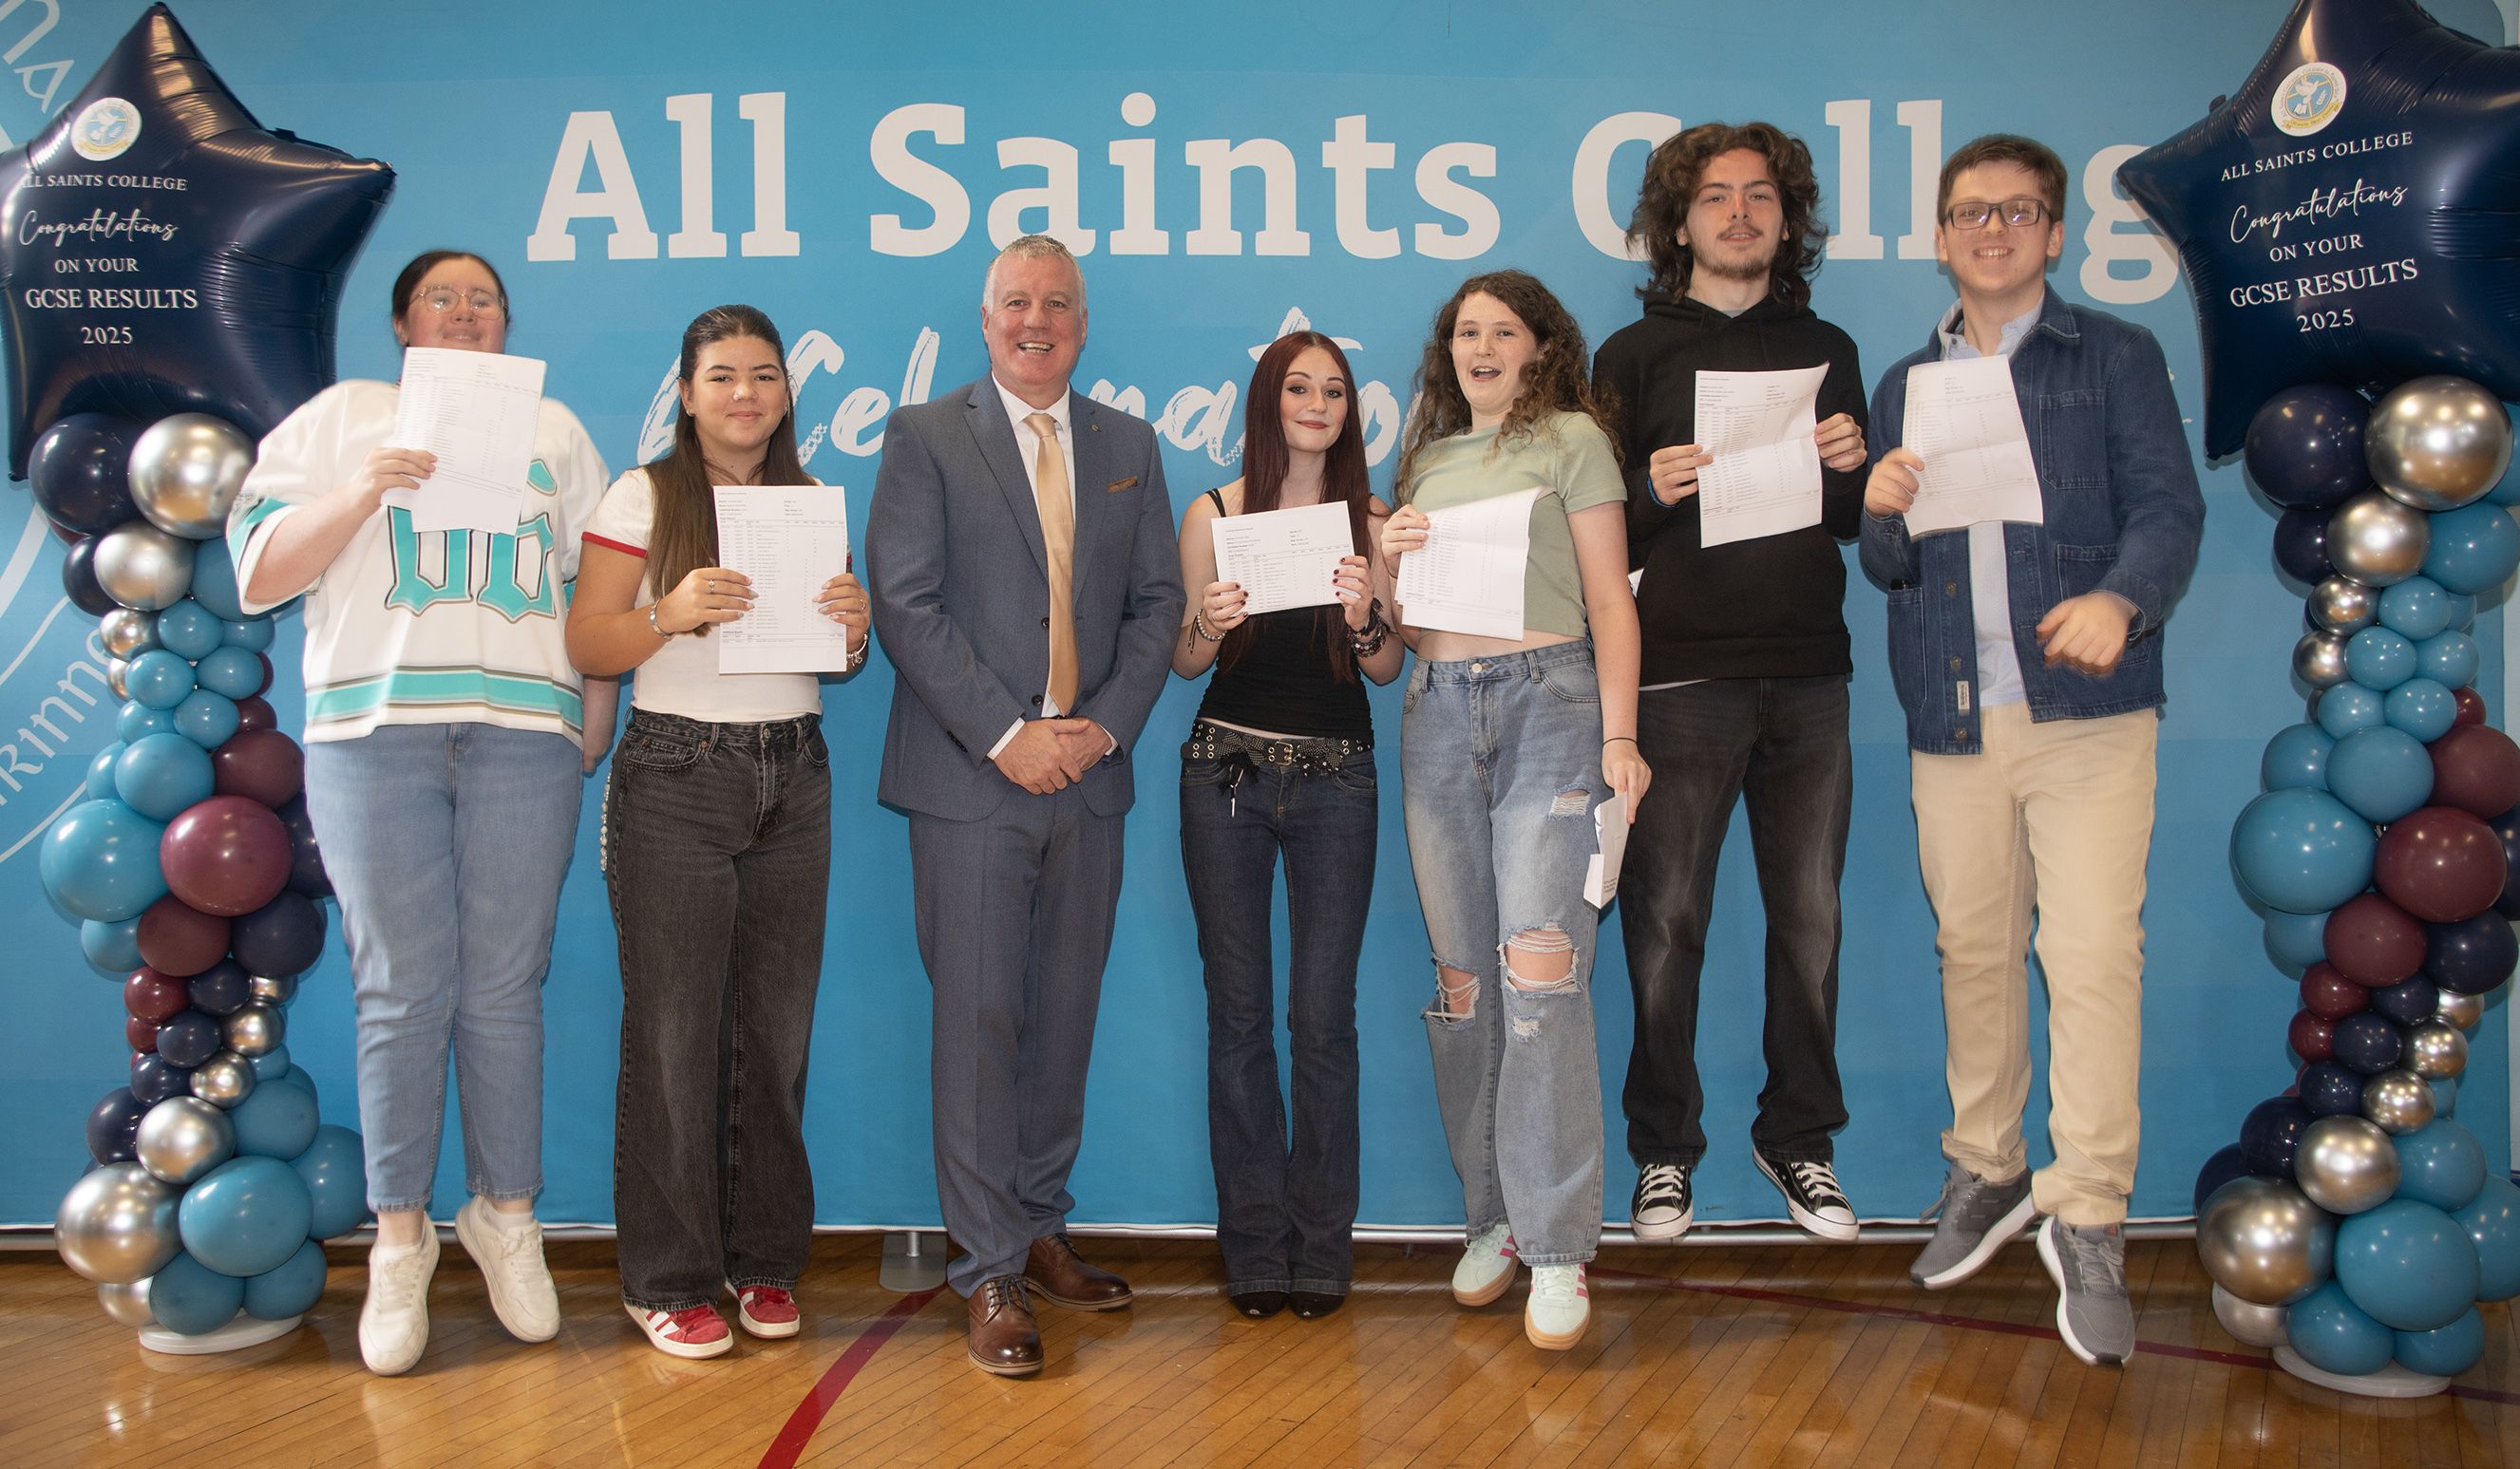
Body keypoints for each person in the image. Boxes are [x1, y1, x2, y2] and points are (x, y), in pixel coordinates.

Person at [224, 250, 612, 1376]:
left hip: (524, 730)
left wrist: (591, 715)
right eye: (442, 295)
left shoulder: (554, 430)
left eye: (484, 299)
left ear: (506, 325)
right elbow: (258, 574)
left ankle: (505, 1211)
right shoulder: (341, 417)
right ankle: (400, 1233)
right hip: (371, 727)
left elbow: (595, 588)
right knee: (397, 986)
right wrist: (363, 487)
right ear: (402, 322)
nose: (465, 311)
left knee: (505, 984)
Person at [1860, 134, 2204, 1365]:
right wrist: (1879, 511)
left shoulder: (2113, 353)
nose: (1992, 229)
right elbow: (1889, 565)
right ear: (1940, 238)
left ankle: (2091, 1207)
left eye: (2016, 211)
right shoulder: (1906, 380)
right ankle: (1988, 1165)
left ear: (2055, 232)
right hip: (1952, 711)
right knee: (1972, 951)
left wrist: (2123, 598)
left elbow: (2169, 507)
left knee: (2094, 950)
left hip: (2086, 711)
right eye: (1970, 212)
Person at [866, 234, 1184, 1378]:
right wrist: (1009, 735)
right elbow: (905, 603)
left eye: (1056, 303)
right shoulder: (924, 436)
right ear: (984, 317)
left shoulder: (1128, 445)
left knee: (1063, 1016)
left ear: (1083, 324)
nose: (1034, 320)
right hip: (973, 779)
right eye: (1015, 301)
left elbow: (1159, 604)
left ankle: (1039, 1223)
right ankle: (987, 1265)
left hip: (1090, 777)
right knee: (980, 1022)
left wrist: (1103, 726)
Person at [565, 305, 869, 1358]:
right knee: (674, 1036)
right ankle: (669, 1277)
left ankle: (764, 1259)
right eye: (724, 375)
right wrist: (669, 611)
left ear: (787, 394)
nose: (746, 393)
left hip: (796, 772)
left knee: (775, 1035)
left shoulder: (808, 504)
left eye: (765, 375)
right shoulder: (643, 495)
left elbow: (834, 661)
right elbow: (588, 641)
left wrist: (852, 630)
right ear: (687, 394)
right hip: (676, 772)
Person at [1592, 122, 1870, 1247]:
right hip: (1677, 681)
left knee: (1811, 922)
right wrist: (1648, 489)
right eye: (1715, 196)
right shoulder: (1630, 355)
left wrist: (1852, 469)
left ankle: (1799, 1138)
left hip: (1809, 674)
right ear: (1679, 223)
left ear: (1786, 218)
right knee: (1664, 924)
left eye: (1760, 195)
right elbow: (1593, 533)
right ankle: (1663, 1150)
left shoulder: (1828, 344)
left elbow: (1847, 519)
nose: (1740, 213)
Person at [1380, 270, 1649, 1352]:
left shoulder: (1573, 440)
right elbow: (1405, 631)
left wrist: (1621, 738)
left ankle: (1557, 1242)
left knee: (1541, 974)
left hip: (1551, 707)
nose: (1480, 347)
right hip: (1436, 711)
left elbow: (1610, 598)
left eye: (1501, 330)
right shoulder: (1425, 461)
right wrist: (1390, 573)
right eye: (1464, 332)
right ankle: (1491, 1216)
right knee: (1463, 986)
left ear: (1541, 346)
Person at [1172, 330, 1401, 1323]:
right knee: (1238, 1017)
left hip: (1337, 778)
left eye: (1334, 390)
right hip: (1223, 770)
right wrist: (1210, 620)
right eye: (1299, 387)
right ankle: (1256, 1246)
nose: (1316, 403)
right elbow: (1184, 660)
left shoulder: (1373, 519)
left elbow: (1387, 666)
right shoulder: (1215, 512)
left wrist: (1363, 618)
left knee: (1322, 1019)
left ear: (1350, 411)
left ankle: (1322, 1247)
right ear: (1267, 400)